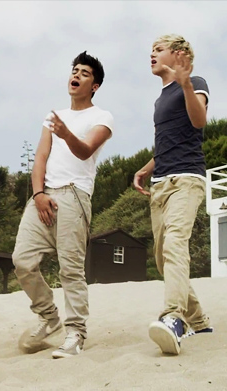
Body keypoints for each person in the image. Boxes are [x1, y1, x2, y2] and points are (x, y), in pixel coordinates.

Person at [12, 51, 114, 358]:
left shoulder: (102, 117)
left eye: (84, 73)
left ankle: (76, 332)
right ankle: (49, 316)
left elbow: (85, 151)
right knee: (22, 260)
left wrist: (66, 133)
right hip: (44, 196)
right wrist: (38, 194)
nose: (77, 75)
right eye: (75, 70)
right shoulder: (54, 116)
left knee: (70, 269)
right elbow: (40, 157)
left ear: (94, 86)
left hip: (74, 195)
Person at [133, 34, 212, 355]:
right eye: (151, 50)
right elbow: (168, 142)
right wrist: (146, 168)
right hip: (161, 183)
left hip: (187, 179)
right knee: (163, 257)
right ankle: (199, 321)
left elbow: (199, 121)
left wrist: (187, 84)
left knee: (176, 244)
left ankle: (174, 318)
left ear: (178, 54)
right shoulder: (160, 99)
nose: (152, 54)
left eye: (159, 49)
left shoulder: (195, 82)